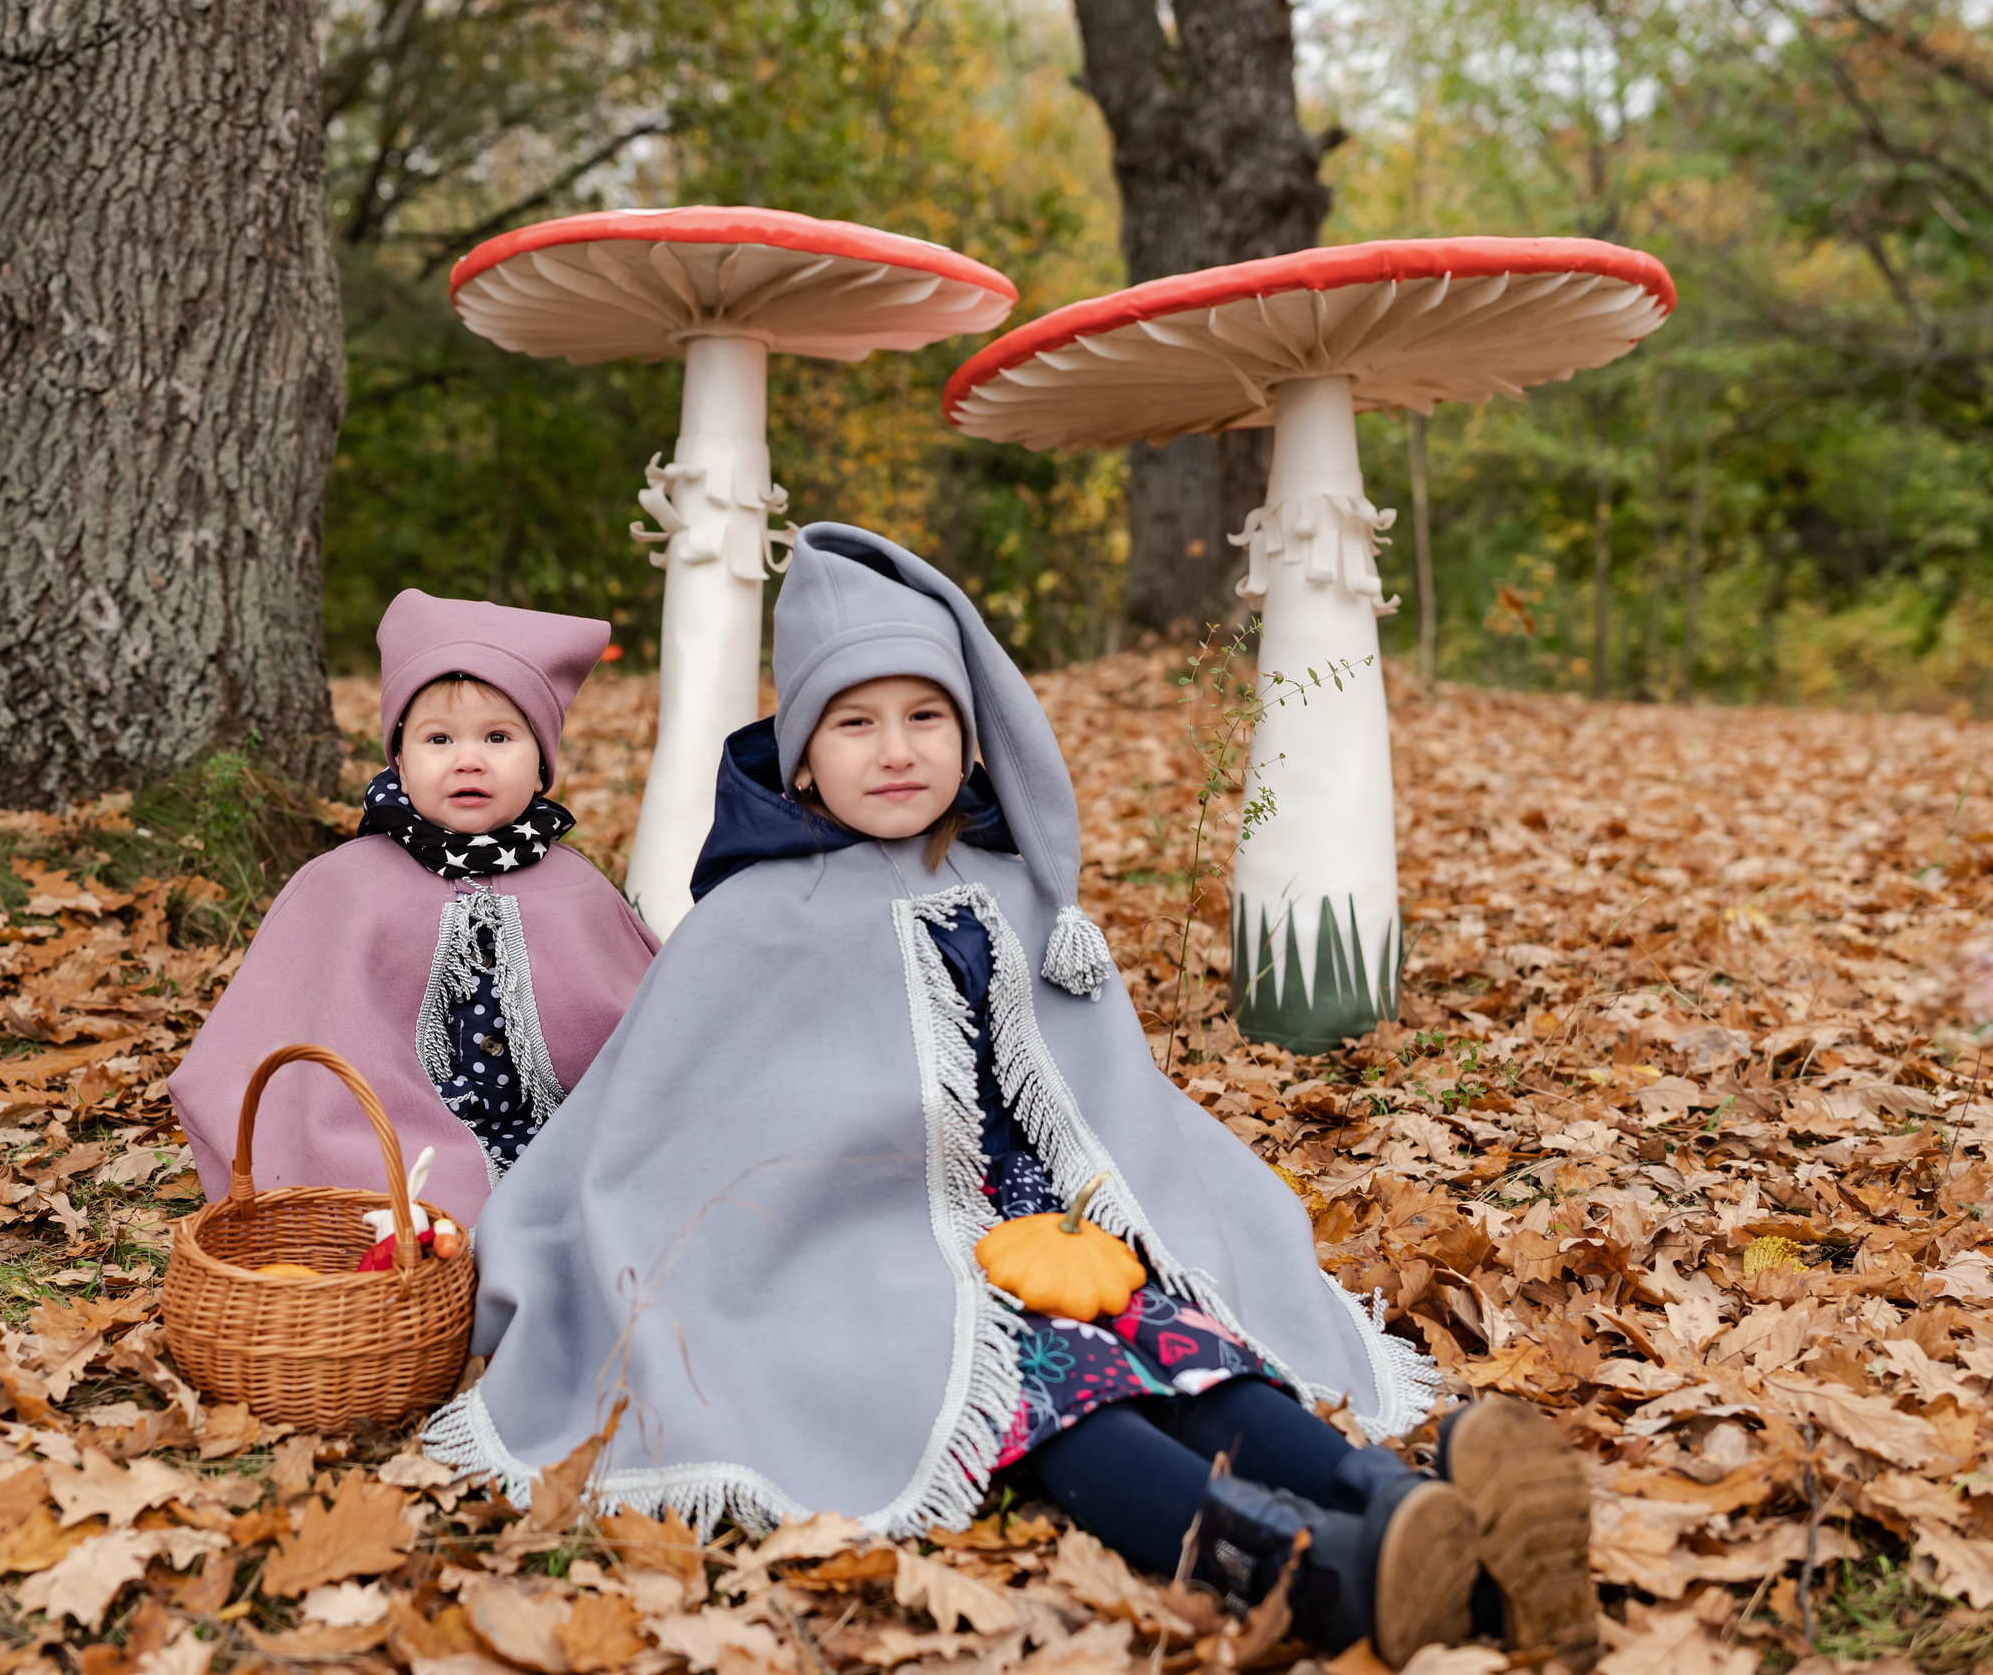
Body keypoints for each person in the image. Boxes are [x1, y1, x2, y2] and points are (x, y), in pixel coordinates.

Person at [427, 527, 1597, 1668]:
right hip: (864, 1251)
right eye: (855, 721)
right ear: (798, 756)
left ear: (969, 731)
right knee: (1064, 1403)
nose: (896, 749)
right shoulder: (750, 922)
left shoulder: (1009, 885)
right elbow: (663, 1120)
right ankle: (1315, 1567)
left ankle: (1400, 1502)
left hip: (1063, 1223)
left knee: (1190, 1349)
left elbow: (1100, 1083)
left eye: (925, 715)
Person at [168, 591, 659, 1225]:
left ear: (543, 765)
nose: (469, 758)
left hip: (563, 1148)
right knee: (407, 1212)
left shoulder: (577, 888)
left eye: (500, 736)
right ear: (399, 759)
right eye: (438, 739)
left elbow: (643, 1039)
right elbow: (265, 1044)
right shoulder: (345, 884)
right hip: (396, 1153)